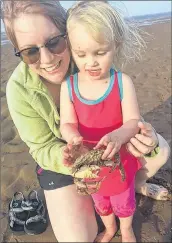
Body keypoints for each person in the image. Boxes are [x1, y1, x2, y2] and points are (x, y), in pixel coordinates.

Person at [1, 0, 170, 242]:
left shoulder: (90, 56)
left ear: (68, 34)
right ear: (19, 52)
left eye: (54, 42)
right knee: (78, 238)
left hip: (112, 153)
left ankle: (132, 186)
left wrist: (144, 135)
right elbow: (41, 148)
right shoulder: (19, 90)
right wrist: (73, 155)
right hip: (66, 162)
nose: (47, 59)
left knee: (160, 150)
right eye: (30, 51)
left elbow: (128, 116)